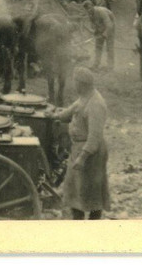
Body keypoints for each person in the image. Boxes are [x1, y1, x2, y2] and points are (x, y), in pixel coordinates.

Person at [53, 66, 110, 219]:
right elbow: (71, 111)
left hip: (91, 152)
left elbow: (94, 136)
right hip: (79, 148)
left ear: (82, 84)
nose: (73, 85)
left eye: (75, 82)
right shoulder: (85, 97)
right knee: (75, 191)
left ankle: (91, 224)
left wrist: (82, 158)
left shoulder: (96, 104)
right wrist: (55, 116)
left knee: (92, 193)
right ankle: (78, 221)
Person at [83, 1, 116, 71]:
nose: (88, 10)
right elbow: (94, 24)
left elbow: (109, 25)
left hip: (110, 26)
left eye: (89, 8)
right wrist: (95, 32)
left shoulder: (101, 11)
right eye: (87, 9)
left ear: (92, 6)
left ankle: (110, 66)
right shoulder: (90, 14)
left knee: (109, 47)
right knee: (98, 46)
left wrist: (104, 34)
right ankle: (96, 64)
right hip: (101, 26)